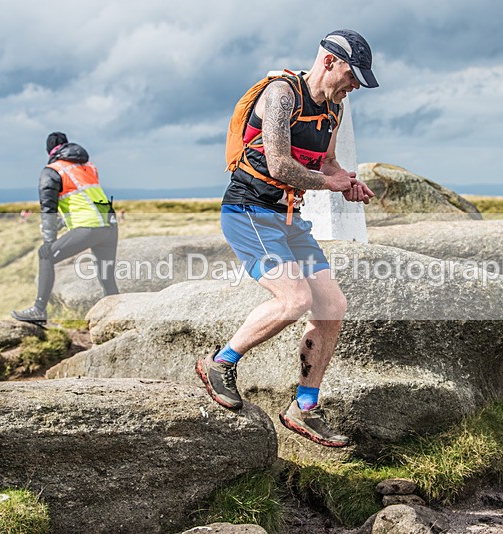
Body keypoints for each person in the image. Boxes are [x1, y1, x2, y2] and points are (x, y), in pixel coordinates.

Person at [196, 30, 378, 447]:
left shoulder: (334, 109)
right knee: (294, 300)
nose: (354, 87)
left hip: (289, 219)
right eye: (352, 76)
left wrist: (345, 181)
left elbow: (328, 162)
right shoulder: (282, 94)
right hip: (249, 212)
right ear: (329, 62)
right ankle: (218, 363)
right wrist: (329, 185)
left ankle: (305, 406)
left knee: (332, 305)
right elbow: (278, 165)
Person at [11, 132, 119, 325]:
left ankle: (38, 309)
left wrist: (48, 241)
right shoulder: (88, 166)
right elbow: (83, 202)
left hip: (89, 227)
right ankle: (117, 318)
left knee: (45, 255)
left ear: (49, 150)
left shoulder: (52, 171)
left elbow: (48, 210)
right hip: (109, 226)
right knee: (107, 280)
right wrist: (62, 224)